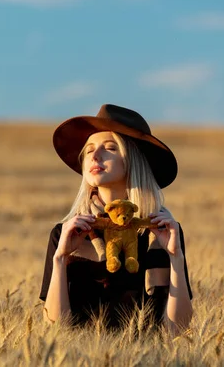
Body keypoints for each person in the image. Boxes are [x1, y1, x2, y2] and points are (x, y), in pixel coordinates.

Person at [39, 104, 193, 335]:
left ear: (132, 160)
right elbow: (54, 329)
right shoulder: (67, 233)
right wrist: (60, 259)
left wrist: (175, 258)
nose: (95, 155)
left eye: (110, 148)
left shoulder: (158, 231)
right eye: (89, 150)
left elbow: (177, 330)